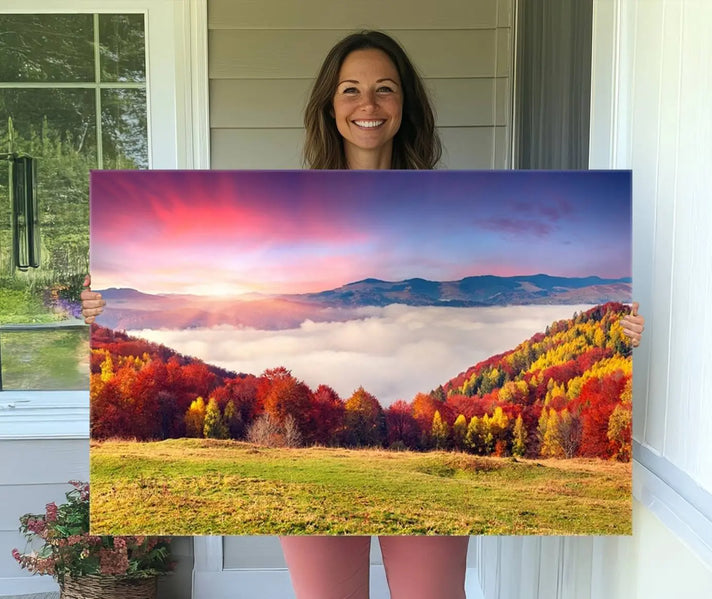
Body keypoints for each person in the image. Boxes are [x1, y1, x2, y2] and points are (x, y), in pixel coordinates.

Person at [81, 30, 645, 599]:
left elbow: (502, 301)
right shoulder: (287, 202)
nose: (368, 105)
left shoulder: (456, 202)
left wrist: (618, 335)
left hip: (428, 469)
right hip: (311, 464)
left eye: (384, 89)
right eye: (350, 90)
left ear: (406, 105)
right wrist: (108, 305)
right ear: (330, 105)